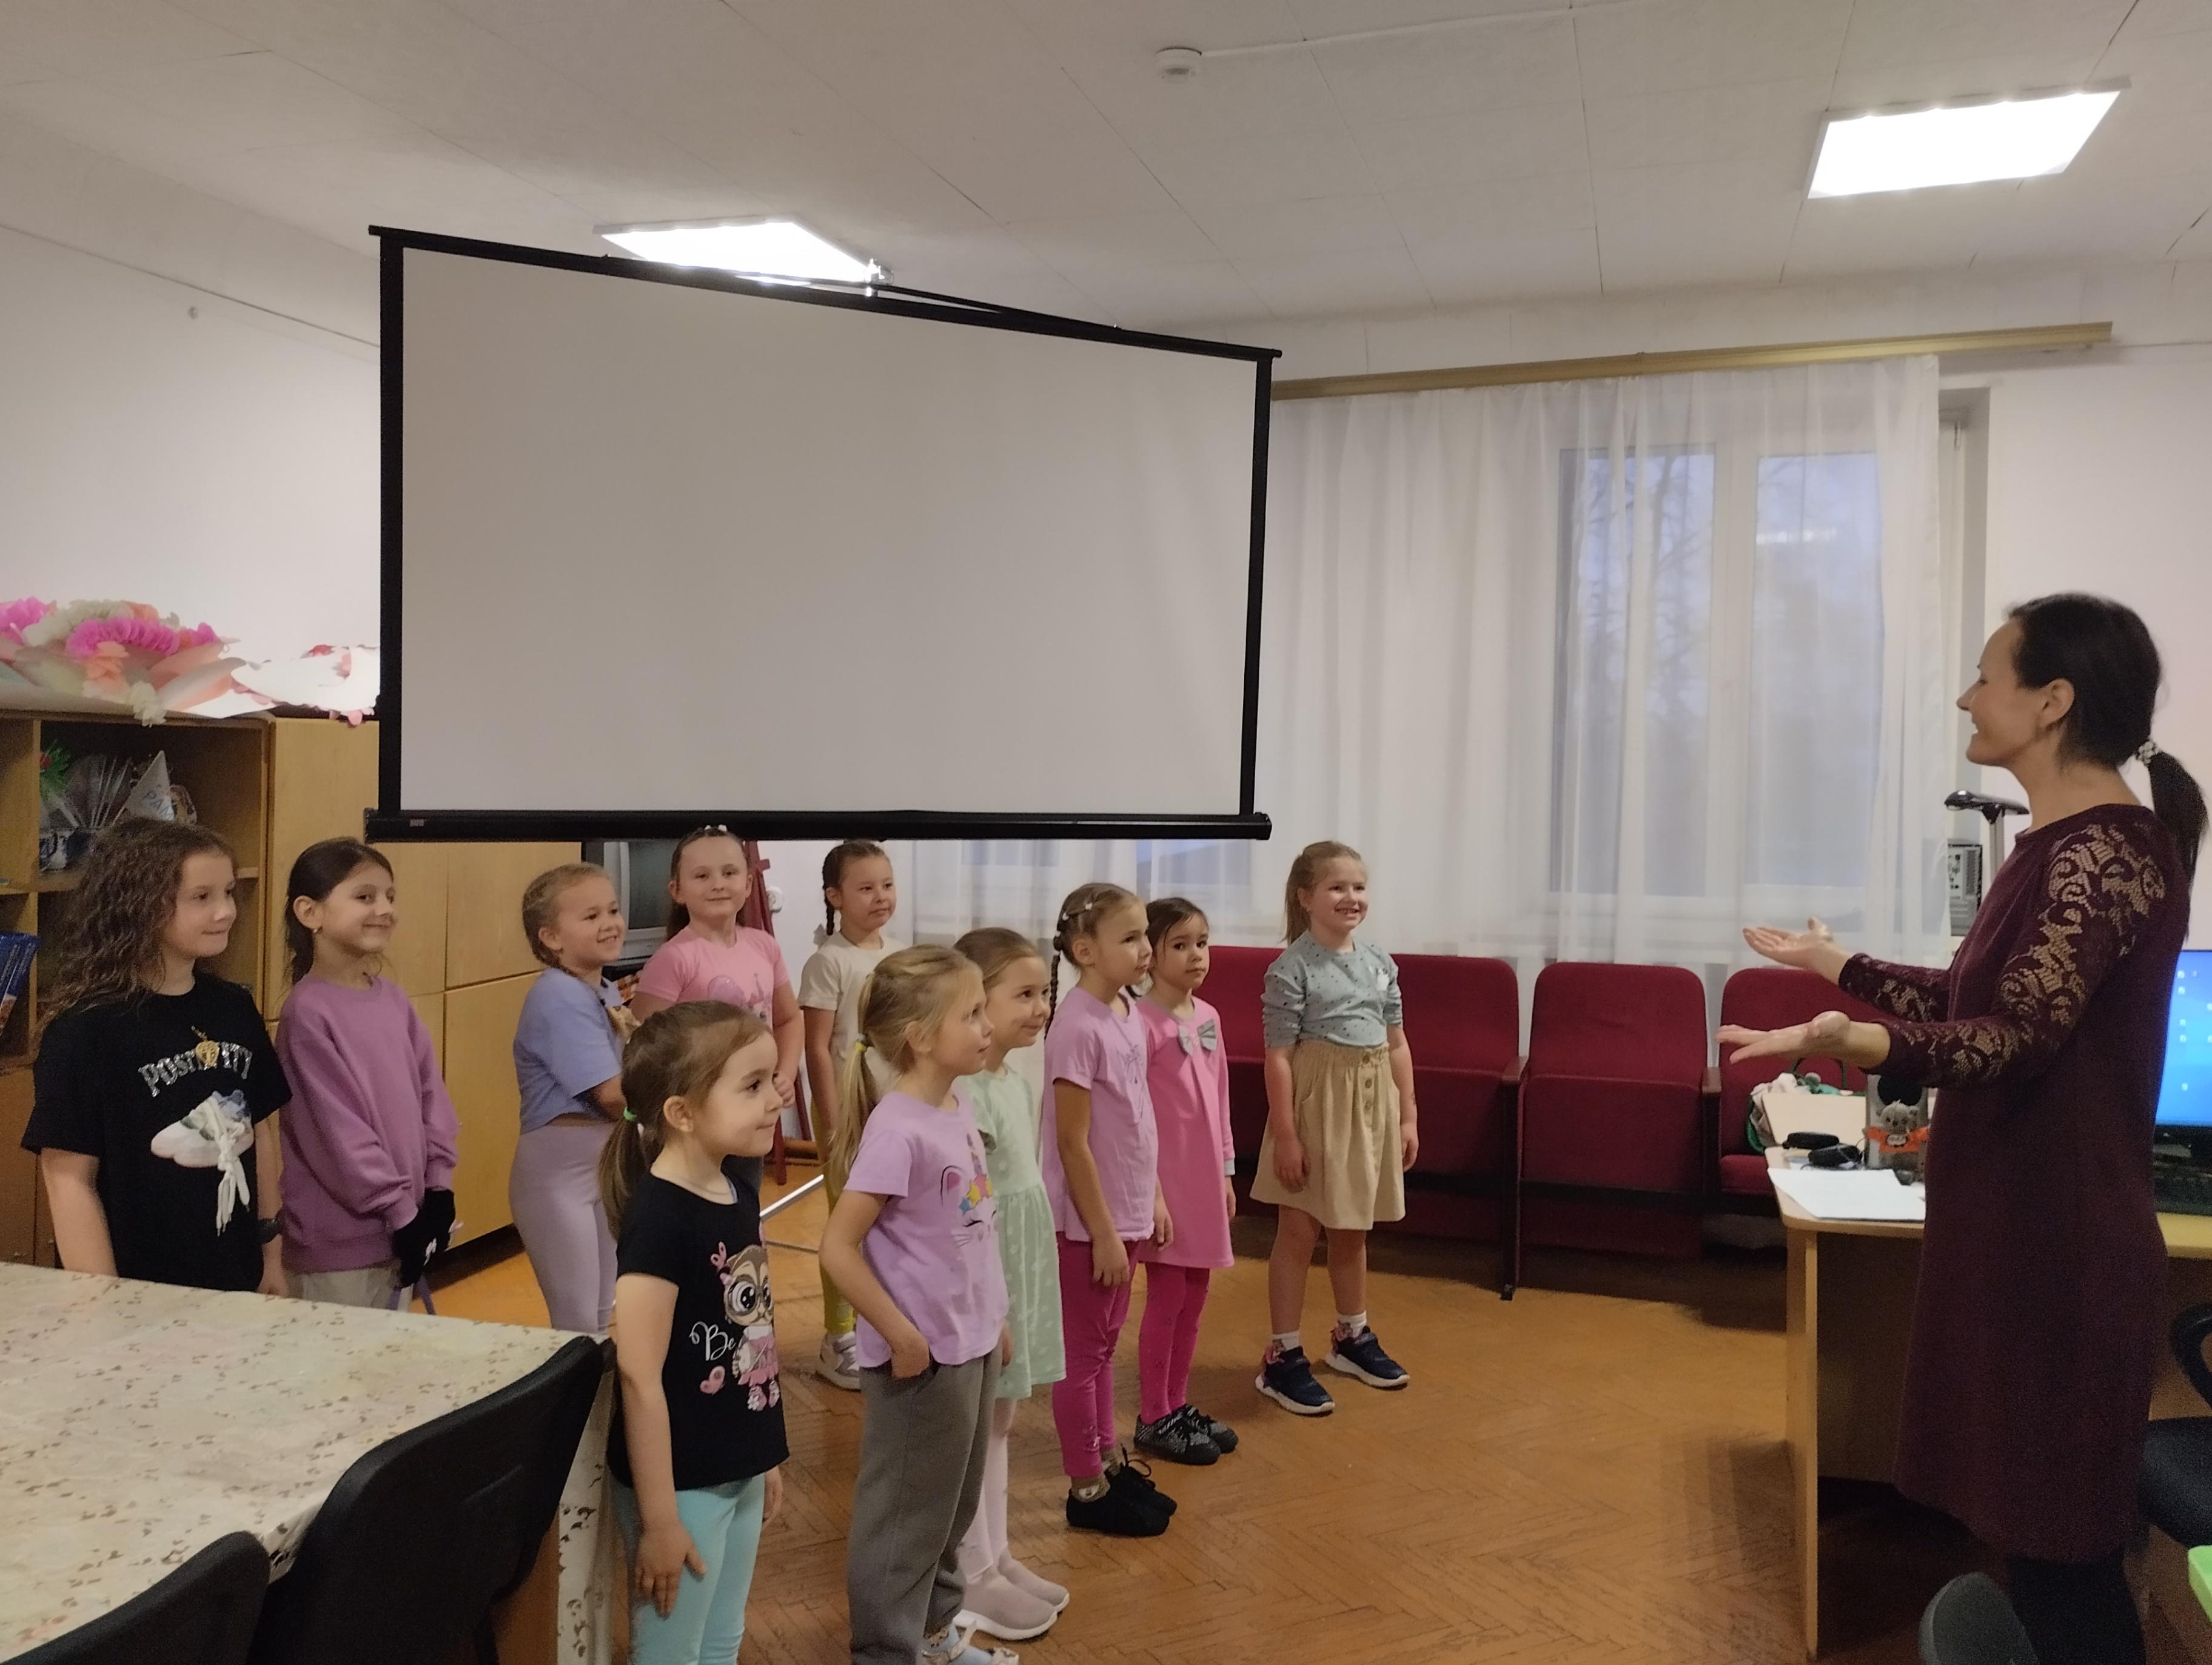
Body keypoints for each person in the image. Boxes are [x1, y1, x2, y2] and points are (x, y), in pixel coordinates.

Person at [1724, 594, 2204, 1665]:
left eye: (1986, 675)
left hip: (2060, 1248)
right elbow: (1971, 997)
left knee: (2063, 1554)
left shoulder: (2103, 854)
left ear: (2052, 700)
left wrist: (1858, 1041)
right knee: (2040, 1546)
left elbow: (2016, 1037)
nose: (1964, 697)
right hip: (2021, 1233)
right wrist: (1836, 969)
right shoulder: (2061, 847)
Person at [817, 946, 1017, 1665]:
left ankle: (934, 1635)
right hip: (923, 1359)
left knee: (950, 1506)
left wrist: (996, 1316)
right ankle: (886, 1651)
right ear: (921, 1037)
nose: (987, 1025)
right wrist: (900, 1334)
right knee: (904, 1519)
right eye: (972, 1013)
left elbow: (971, 1233)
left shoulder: (955, 1106)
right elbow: (838, 1248)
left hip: (969, 1344)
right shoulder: (897, 1128)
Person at [23, 818, 288, 1294]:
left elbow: (261, 1132)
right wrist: (105, 1304)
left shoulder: (234, 1007)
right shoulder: (85, 1030)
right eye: (201, 897)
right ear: (140, 906)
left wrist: (271, 1252)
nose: (226, 911)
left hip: (238, 1282)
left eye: (228, 892)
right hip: (141, 1292)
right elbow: (68, 1181)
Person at [601, 1002, 789, 1665]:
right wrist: (659, 1519)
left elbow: (748, 1333)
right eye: (752, 1085)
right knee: (671, 1654)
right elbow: (638, 1375)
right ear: (681, 1112)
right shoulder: (660, 1218)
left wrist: (761, 1457)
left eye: (771, 1079)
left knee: (721, 1642)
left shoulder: (736, 1191)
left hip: (736, 1464)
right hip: (680, 1485)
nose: (776, 1098)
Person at [1250, 840, 1419, 1417]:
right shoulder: (1291, 968)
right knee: (1299, 1231)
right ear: (1306, 897)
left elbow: (1397, 1044)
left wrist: (1407, 1114)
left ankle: (1352, 1336)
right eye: (1337, 887)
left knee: (1353, 1228)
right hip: (1316, 1107)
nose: (1352, 897)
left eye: (1359, 887)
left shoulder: (1379, 962)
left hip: (1369, 1106)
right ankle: (1282, 1355)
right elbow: (1278, 1058)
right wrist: (1287, 1135)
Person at [1040, 882, 1176, 1536]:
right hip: (1091, 1223)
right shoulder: (1076, 1026)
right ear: (1084, 950)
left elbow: (1137, 1116)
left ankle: (1108, 1461)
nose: (1145, 948)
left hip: (1126, 1211)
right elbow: (1073, 1141)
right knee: (1084, 1355)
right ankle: (1085, 1486)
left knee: (1103, 1349)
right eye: (1130, 938)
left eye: (1145, 935)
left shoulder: (1125, 1009)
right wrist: (1101, 1233)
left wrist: (1154, 1196)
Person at [276, 838, 459, 1306]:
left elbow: (431, 1097)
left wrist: (438, 1186)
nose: (385, 909)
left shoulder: (393, 1000)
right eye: (365, 896)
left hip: (400, 1230)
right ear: (310, 912)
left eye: (389, 897)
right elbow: (339, 1135)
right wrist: (399, 1210)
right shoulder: (308, 1014)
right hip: (340, 1251)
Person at [951, 928, 1068, 1643]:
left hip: (1019, 1263)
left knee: (1002, 1418)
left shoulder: (1012, 1082)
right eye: (1023, 994)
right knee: (977, 1425)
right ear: (975, 1003)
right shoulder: (965, 1092)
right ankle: (970, 1573)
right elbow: (968, 1206)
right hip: (987, 1270)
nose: (1040, 1007)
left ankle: (997, 1555)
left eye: (1043, 992)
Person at [632, 826, 803, 1187]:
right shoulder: (674, 959)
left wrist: (784, 1075)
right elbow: (644, 1046)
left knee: (744, 1199)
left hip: (750, 1111)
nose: (718, 884)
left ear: (748, 884)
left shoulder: (764, 946)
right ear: (677, 891)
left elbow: (789, 1018)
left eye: (729, 873)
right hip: (699, 1124)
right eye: (702, 876)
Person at [1131, 898, 1239, 1465]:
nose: (1196, 955)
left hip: (1202, 1179)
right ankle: (1153, 1414)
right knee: (1169, 1294)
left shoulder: (1210, 1017)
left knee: (1196, 1294)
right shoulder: (1139, 1023)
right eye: (1180, 945)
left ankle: (1177, 1403)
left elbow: (1220, 1101)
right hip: (1163, 1184)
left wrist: (1225, 1171)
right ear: (1149, 956)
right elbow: (1135, 1117)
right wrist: (1150, 1193)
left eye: (1202, 942)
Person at [799, 838, 903, 1391]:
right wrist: (835, 1120)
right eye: (866, 888)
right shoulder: (828, 960)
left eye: (887, 885)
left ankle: (882, 1324)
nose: (880, 896)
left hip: (896, 1112)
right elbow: (818, 1048)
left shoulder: (900, 956)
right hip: (849, 1114)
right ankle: (837, 1337)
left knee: (892, 1223)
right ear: (835, 896)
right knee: (849, 1225)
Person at [511, 861, 632, 1335]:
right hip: (559, 1180)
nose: (610, 923)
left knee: (602, 1312)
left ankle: (601, 1389)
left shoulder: (602, 990)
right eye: (591, 916)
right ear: (552, 938)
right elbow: (613, 1096)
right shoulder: (558, 994)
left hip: (601, 1168)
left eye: (613, 910)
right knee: (577, 1321)